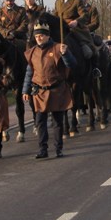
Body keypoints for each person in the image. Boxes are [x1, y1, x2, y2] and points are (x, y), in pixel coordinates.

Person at [22, 23, 75, 158]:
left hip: (56, 90)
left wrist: (65, 54)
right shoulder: (32, 52)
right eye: (37, 36)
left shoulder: (58, 47)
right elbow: (29, 73)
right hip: (39, 92)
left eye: (41, 35)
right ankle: (43, 149)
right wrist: (25, 90)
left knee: (57, 121)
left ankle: (58, 148)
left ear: (47, 36)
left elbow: (72, 64)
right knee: (40, 122)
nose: (39, 38)